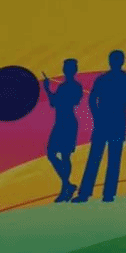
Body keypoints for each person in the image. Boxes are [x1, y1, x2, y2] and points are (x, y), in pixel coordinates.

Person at [74, 50, 126, 203]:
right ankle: (104, 194)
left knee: (100, 158)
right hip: (112, 123)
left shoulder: (106, 79)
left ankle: (92, 193)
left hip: (108, 123)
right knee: (107, 159)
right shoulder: (123, 79)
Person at [43, 59, 84, 203]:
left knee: (62, 155)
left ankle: (65, 187)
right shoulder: (68, 87)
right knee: (54, 154)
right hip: (62, 122)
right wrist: (48, 90)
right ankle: (67, 185)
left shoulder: (72, 87)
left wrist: (48, 90)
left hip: (66, 122)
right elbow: (54, 103)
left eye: (66, 68)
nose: (65, 70)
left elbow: (56, 102)